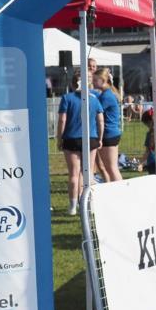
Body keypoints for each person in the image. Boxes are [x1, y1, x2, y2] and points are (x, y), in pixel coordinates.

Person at [58, 73, 103, 215]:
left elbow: (62, 121)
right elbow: (101, 121)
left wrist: (59, 138)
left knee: (73, 174)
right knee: (88, 173)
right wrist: (100, 138)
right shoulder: (94, 99)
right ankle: (89, 205)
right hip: (91, 138)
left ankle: (72, 207)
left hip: (71, 138)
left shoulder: (66, 98)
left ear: (72, 84)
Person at [93, 68, 123, 183]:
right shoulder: (106, 94)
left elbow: (95, 112)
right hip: (110, 133)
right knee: (109, 167)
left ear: (103, 80)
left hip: (108, 134)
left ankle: (121, 192)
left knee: (111, 168)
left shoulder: (106, 96)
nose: (93, 83)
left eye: (96, 80)